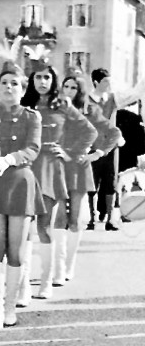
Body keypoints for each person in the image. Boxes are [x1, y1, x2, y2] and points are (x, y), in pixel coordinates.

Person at [0, 60, 45, 333]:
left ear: (23, 90)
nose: (8, 87)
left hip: (19, 184)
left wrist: (10, 158)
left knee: (16, 250)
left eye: (14, 84)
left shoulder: (31, 117)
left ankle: (11, 306)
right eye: (4, 83)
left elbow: (33, 148)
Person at [20, 59, 96, 300]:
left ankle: (46, 281)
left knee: (45, 227)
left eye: (47, 77)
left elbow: (90, 131)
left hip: (50, 169)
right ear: (31, 80)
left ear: (53, 81)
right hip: (25, 168)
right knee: (23, 230)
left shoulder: (62, 104)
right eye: (38, 77)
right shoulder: (24, 104)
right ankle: (22, 286)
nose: (42, 82)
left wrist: (69, 153)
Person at [58, 73, 121, 283]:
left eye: (73, 88)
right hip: (57, 168)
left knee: (75, 219)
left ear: (80, 91)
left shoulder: (90, 110)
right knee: (58, 219)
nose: (69, 91)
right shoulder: (56, 108)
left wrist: (98, 153)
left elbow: (114, 133)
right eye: (66, 86)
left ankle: (69, 265)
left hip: (78, 168)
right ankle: (58, 265)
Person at [86, 68, 120, 231]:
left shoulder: (112, 99)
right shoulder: (87, 100)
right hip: (92, 148)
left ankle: (110, 219)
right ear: (96, 82)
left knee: (110, 183)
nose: (109, 84)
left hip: (110, 147)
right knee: (91, 184)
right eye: (106, 81)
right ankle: (91, 218)